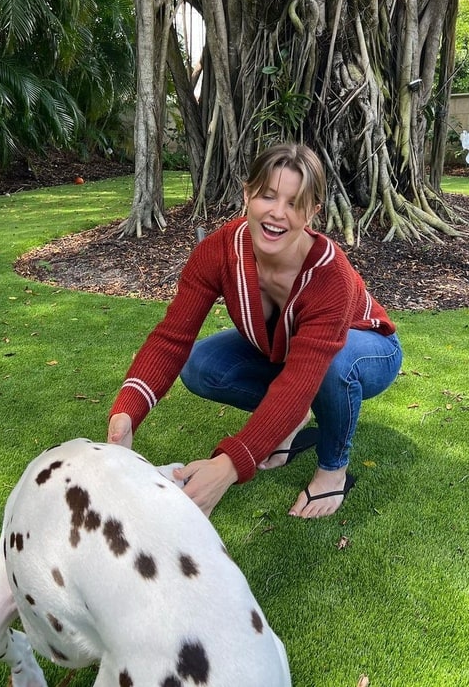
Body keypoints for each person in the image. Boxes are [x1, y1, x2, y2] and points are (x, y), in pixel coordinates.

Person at [107, 143, 402, 519]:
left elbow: (299, 381)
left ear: (312, 212)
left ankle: (333, 469)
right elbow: (172, 338)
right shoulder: (218, 251)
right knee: (201, 364)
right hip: (286, 352)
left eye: (294, 203)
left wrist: (229, 465)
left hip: (369, 346)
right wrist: (126, 414)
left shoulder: (330, 275)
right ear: (247, 193)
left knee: (333, 364)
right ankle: (289, 418)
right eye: (268, 196)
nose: (278, 213)